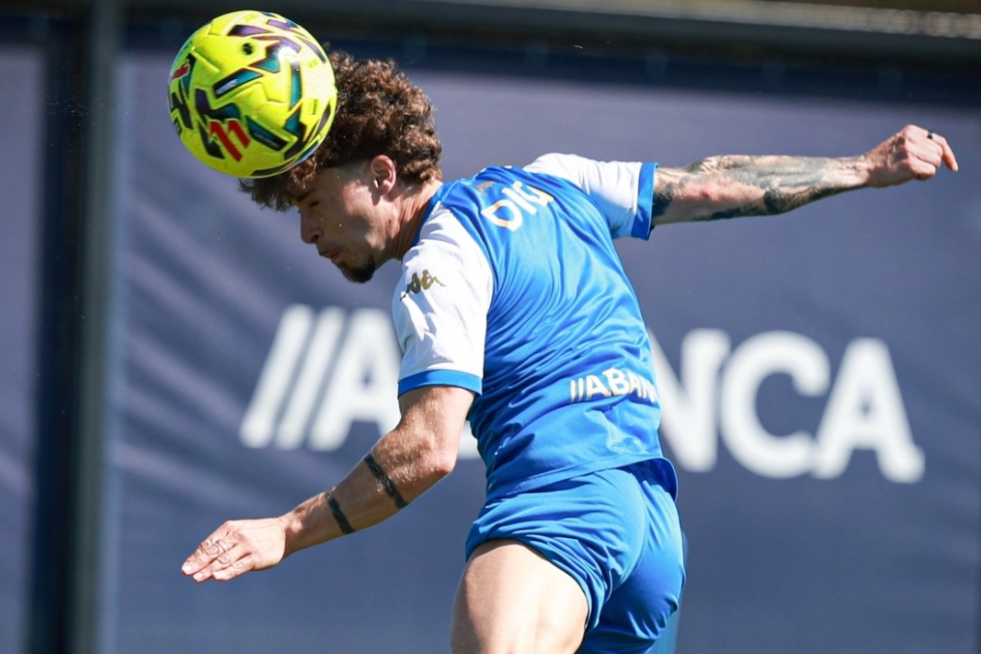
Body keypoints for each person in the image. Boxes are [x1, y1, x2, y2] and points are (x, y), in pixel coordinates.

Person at [180, 51, 959, 654]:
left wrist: (286, 529)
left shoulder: (437, 262)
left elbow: (427, 450)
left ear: (383, 175)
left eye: (314, 203)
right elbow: (712, 185)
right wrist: (859, 168)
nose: (307, 232)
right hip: (650, 524)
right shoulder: (553, 182)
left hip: (559, 506)